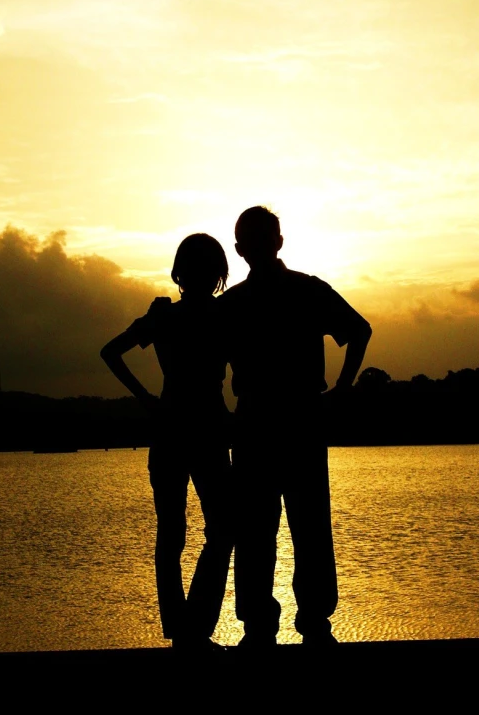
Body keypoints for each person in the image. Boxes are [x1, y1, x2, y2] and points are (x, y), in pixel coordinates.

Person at [217, 205, 372, 648]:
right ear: (275, 242)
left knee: (263, 528)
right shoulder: (305, 291)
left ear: (241, 249)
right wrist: (341, 389)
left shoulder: (235, 305)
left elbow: (360, 330)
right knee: (300, 526)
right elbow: (359, 331)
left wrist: (341, 389)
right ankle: (308, 624)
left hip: (266, 422)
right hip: (292, 421)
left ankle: (267, 626)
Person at [100, 233, 233, 651]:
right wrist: (146, 400)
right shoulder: (216, 316)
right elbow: (110, 352)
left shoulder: (169, 317)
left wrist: (146, 401)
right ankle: (190, 629)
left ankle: (186, 629)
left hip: (182, 426)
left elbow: (110, 352)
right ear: (214, 274)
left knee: (180, 533)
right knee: (213, 530)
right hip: (199, 428)